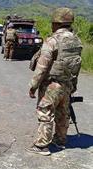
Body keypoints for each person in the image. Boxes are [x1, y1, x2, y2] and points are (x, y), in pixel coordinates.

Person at [26, 7, 82, 156]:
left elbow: (42, 67)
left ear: (57, 23)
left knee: (45, 112)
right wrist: (73, 85)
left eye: (52, 23)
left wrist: (33, 86)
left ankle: (42, 145)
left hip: (52, 84)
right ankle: (60, 140)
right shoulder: (76, 40)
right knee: (63, 113)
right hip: (67, 84)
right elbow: (76, 65)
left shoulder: (52, 41)